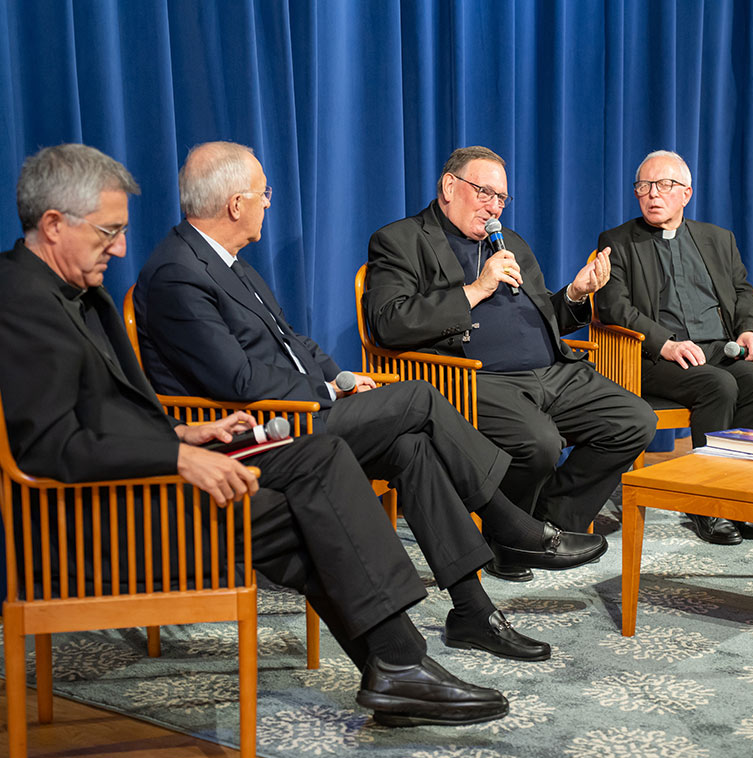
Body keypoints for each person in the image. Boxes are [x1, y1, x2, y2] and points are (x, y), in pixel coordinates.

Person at [0, 142, 512, 727]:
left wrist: (186, 434)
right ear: (53, 224)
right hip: (99, 517)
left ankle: (399, 670)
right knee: (318, 493)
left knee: (320, 466)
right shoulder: (19, 301)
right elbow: (48, 448)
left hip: (142, 476)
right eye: (108, 232)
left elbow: (104, 413)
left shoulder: (78, 290)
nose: (120, 247)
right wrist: (174, 456)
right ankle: (401, 664)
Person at [134, 141, 606, 603]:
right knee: (418, 397)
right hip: (258, 431)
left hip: (299, 409)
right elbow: (236, 382)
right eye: (264, 194)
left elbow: (295, 342)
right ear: (237, 204)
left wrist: (340, 378)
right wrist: (325, 391)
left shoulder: (231, 265)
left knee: (411, 446)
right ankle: (512, 525)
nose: (268, 204)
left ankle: (471, 609)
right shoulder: (179, 274)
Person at [364, 145, 657, 579]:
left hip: (553, 372)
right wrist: (475, 290)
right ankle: (513, 537)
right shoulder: (401, 240)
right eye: (484, 192)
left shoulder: (511, 242)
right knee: (539, 443)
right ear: (449, 186)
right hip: (473, 379)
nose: (494, 208)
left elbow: (540, 320)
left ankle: (542, 526)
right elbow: (388, 323)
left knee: (635, 419)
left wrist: (575, 294)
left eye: (501, 198)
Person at [595, 150, 753, 546]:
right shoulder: (618, 242)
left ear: (686, 194)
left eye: (664, 186)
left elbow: (744, 292)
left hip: (720, 348)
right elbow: (613, 306)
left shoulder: (717, 239)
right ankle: (706, 504)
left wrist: (750, 330)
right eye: (643, 186)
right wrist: (666, 344)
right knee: (719, 386)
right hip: (654, 357)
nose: (652, 195)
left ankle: (745, 498)